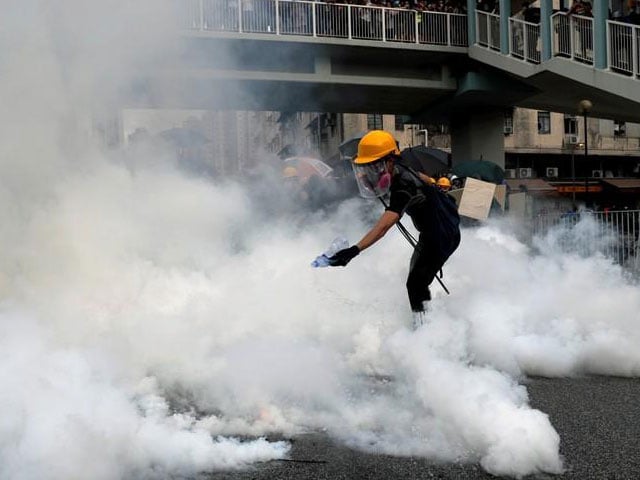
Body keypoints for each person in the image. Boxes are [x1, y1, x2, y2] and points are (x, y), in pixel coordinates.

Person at [327, 130, 461, 328]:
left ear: (390, 160)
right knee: (417, 280)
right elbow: (423, 178)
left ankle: (428, 332)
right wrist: (430, 183)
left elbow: (383, 227)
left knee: (415, 284)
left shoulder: (404, 186)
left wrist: (354, 250)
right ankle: (428, 323)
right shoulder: (400, 166)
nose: (373, 171)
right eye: (369, 167)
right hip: (432, 232)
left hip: (441, 235)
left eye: (376, 165)